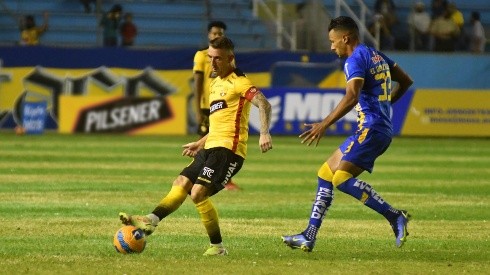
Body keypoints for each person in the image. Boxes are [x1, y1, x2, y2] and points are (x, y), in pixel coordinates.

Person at [119, 36, 273, 256]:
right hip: (210, 146)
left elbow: (263, 103)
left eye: (218, 59)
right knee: (181, 182)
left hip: (229, 151)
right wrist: (200, 143)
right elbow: (220, 123)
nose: (212, 64)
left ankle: (217, 247)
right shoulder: (215, 82)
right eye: (210, 58)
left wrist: (264, 132)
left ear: (231, 58)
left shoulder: (239, 81)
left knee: (198, 193)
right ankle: (151, 220)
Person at [281, 16, 414, 252]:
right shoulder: (376, 55)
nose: (332, 46)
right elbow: (405, 81)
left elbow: (352, 96)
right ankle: (308, 235)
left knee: (341, 179)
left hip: (371, 129)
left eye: (333, 41)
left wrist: (324, 124)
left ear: (346, 38)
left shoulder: (354, 60)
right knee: (325, 173)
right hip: (377, 128)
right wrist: (386, 105)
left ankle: (395, 216)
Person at [193, 21, 241, 191]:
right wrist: (197, 108)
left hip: (223, 105)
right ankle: (198, 175)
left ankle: (223, 179)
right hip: (207, 106)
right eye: (214, 33)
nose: (217, 36)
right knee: (205, 144)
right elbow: (197, 83)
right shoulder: (201, 55)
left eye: (220, 33)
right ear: (208, 35)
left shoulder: (226, 56)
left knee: (223, 143)